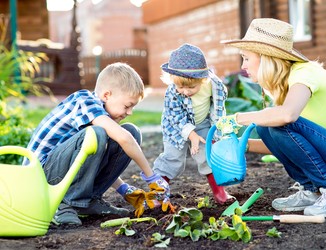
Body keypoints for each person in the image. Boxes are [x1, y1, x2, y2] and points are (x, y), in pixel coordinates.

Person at [217, 18, 326, 217]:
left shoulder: (304, 73)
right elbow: (289, 143)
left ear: (267, 58)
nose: (243, 66)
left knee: (278, 121)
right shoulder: (287, 83)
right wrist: (242, 144)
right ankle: (312, 191)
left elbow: (288, 116)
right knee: (264, 126)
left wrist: (237, 118)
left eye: (246, 58)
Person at [24, 62, 174, 225]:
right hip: (41, 178)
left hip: (61, 172)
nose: (129, 112)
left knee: (131, 131)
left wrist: (125, 190)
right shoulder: (84, 100)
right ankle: (64, 204)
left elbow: (90, 160)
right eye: (127, 106)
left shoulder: (98, 116)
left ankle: (88, 202)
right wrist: (152, 177)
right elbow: (124, 139)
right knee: (103, 134)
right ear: (107, 95)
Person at [152, 43, 234, 204]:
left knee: (208, 156)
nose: (185, 91)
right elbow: (175, 116)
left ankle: (220, 193)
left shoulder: (216, 86)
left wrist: (217, 134)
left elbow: (218, 111)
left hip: (202, 123)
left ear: (203, 79)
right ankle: (157, 193)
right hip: (176, 127)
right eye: (180, 86)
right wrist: (191, 134)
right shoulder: (172, 92)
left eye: (191, 87)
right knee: (172, 159)